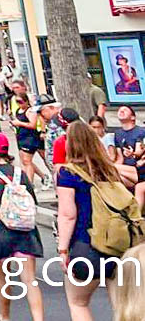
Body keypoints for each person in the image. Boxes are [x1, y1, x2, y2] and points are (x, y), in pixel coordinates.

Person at [58, 119, 136, 321]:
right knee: (122, 306)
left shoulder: (67, 173)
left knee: (78, 303)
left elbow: (67, 214)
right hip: (118, 245)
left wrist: (63, 249)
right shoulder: (109, 170)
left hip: (86, 244)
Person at [0, 131, 44, 321]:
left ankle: (4, 317)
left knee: (3, 278)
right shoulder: (20, 173)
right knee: (30, 280)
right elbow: (32, 200)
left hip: (0, 233)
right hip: (26, 232)